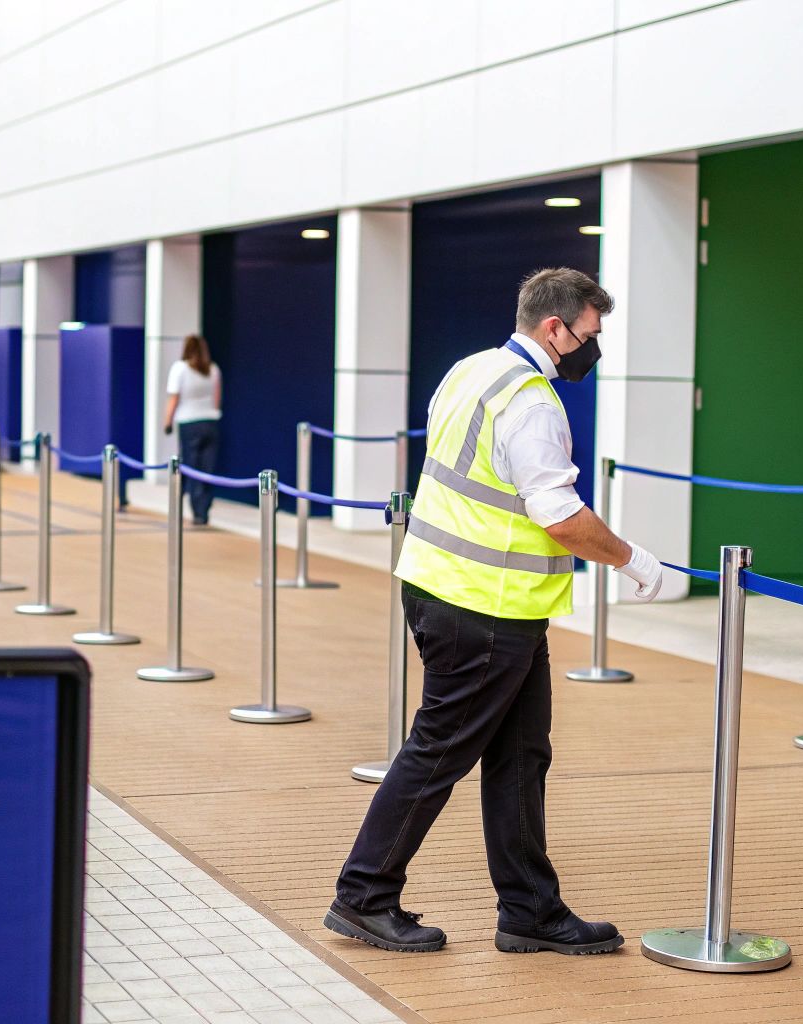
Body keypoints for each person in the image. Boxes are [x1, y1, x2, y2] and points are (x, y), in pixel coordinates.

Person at [326, 267, 665, 958]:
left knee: (520, 756)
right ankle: (363, 896)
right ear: (554, 328)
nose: (593, 350)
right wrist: (633, 560)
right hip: (480, 607)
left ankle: (531, 911)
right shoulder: (531, 402)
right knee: (438, 753)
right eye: (589, 335)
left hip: (468, 596)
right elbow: (559, 515)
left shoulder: (471, 370)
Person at [163, 334, 222, 526]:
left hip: (189, 423)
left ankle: (190, 508)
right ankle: (203, 510)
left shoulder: (180, 368)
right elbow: (216, 399)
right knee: (207, 469)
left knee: (191, 466)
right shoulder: (213, 369)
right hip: (210, 422)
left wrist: (167, 421)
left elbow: (174, 398)